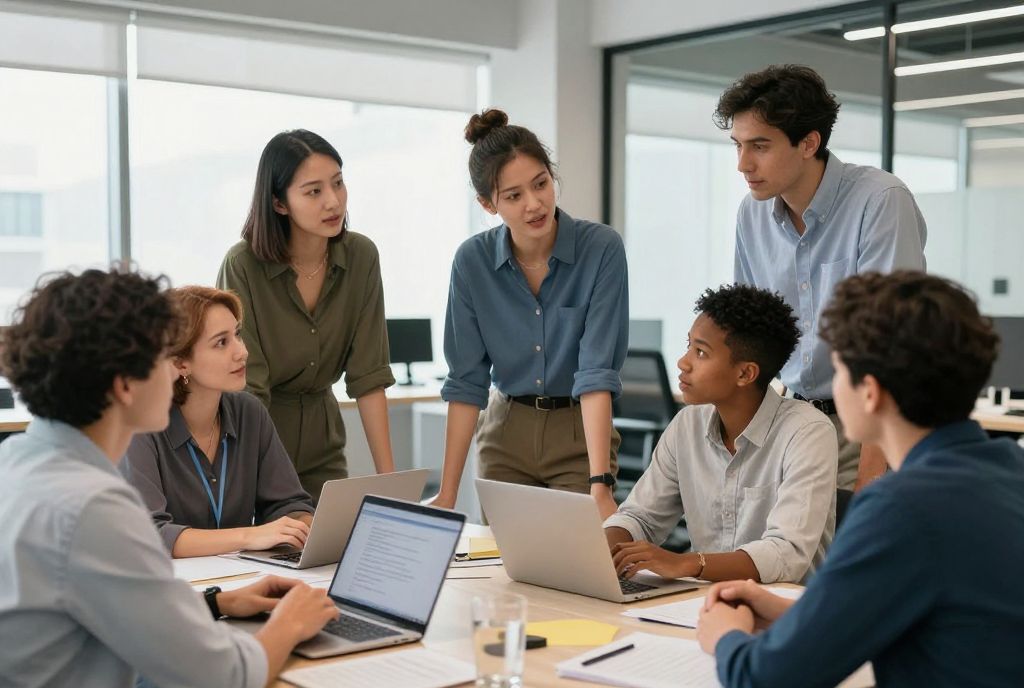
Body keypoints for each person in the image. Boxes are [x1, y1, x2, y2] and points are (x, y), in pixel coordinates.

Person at [0, 269, 339, 688]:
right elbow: (224, 685)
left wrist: (217, 603)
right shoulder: (95, 507)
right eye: (163, 358)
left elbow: (88, 597)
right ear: (125, 385)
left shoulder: (18, 463)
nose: (174, 372)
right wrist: (288, 624)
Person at [697, 271, 1024, 688]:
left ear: (869, 392)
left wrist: (723, 634)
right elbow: (948, 619)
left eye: (838, 371)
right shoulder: (1008, 473)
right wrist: (800, 614)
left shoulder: (904, 507)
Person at [715, 64, 927, 491]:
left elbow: (889, 345)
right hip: (791, 420)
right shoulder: (752, 213)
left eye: (759, 146)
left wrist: (873, 472)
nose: (743, 164)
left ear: (809, 142)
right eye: (737, 145)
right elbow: (750, 331)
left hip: (869, 425)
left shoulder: (880, 201)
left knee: (853, 551)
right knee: (788, 557)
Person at [431, 108, 629, 519]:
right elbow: (466, 381)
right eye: (514, 196)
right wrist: (447, 494)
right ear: (488, 204)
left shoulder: (601, 249)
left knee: (576, 570)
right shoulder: (472, 261)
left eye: (541, 184)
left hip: (578, 434)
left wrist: (600, 483)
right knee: (506, 572)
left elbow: (595, 373)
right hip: (505, 434)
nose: (535, 204)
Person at [604, 284, 837, 586]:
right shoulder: (687, 425)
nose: (683, 362)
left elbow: (785, 555)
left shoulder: (807, 433)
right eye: (688, 345)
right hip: (700, 604)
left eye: (700, 352)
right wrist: (599, 550)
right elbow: (639, 518)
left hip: (782, 611)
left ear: (745, 374)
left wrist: (686, 562)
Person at [218, 129, 395, 504]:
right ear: (279, 203)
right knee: (267, 553)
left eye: (338, 183)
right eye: (313, 191)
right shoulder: (243, 265)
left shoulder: (361, 257)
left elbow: (369, 376)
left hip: (323, 445)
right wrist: (251, 473)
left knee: (326, 552)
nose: (333, 201)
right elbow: (250, 387)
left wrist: (390, 484)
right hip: (256, 442)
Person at [121, 285, 315, 558]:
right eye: (221, 343)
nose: (242, 352)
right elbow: (150, 534)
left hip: (242, 581)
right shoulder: (142, 425)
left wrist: (305, 527)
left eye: (237, 335)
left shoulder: (250, 413)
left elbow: (287, 504)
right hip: (173, 588)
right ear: (180, 363)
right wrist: (250, 535)